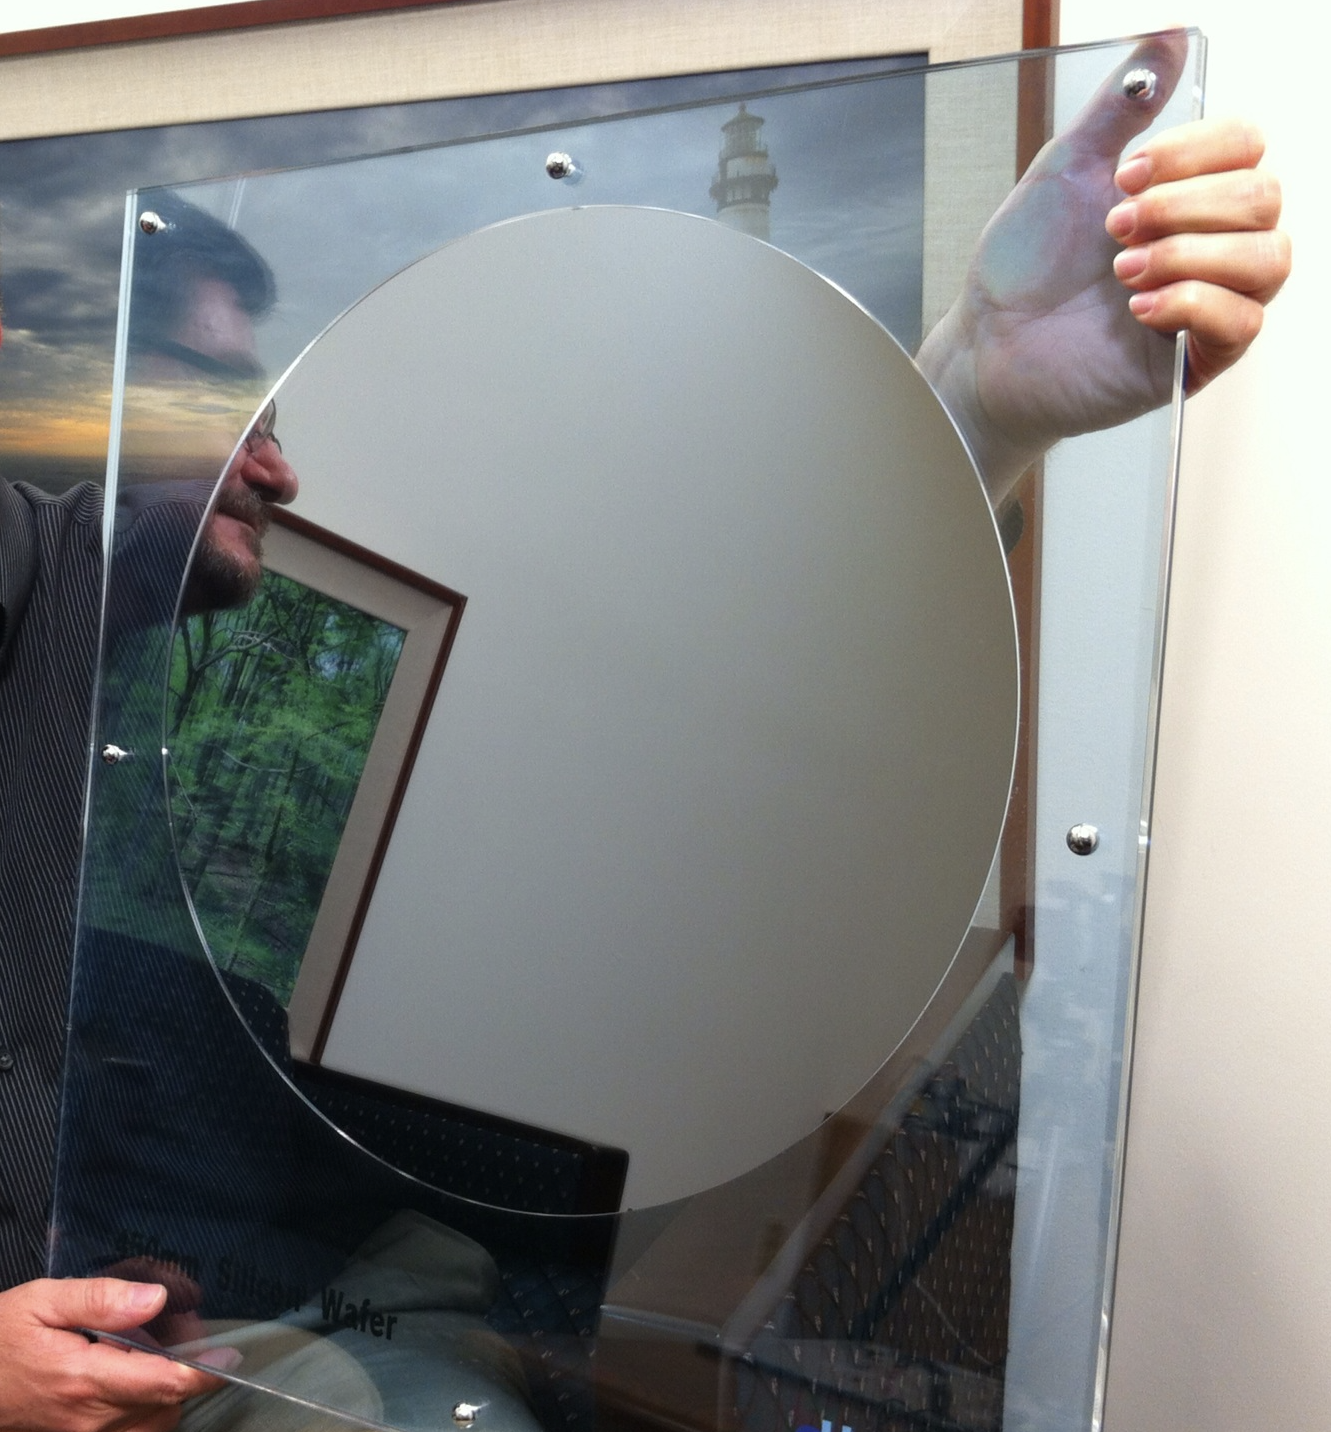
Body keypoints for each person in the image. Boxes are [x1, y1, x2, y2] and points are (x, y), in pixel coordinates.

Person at [0, 46, 1292, 1432]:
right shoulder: (26, 566)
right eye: (217, 399)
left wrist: (971, 405)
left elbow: (715, 716)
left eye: (272, 415)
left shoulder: (229, 651)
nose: (278, 465)